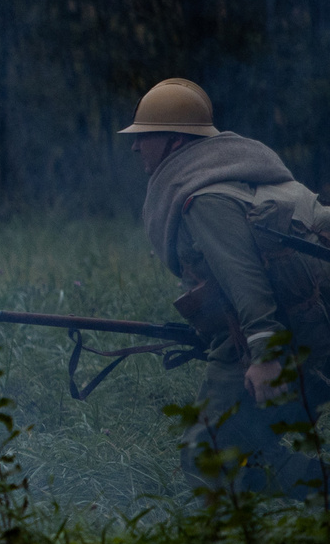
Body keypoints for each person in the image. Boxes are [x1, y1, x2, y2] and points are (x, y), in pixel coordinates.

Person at [124, 76, 330, 494]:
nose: (135, 147)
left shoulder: (204, 197)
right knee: (240, 441)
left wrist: (265, 353)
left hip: (291, 328)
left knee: (208, 451)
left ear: (175, 142)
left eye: (144, 137)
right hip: (304, 318)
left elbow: (242, 275)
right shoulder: (241, 172)